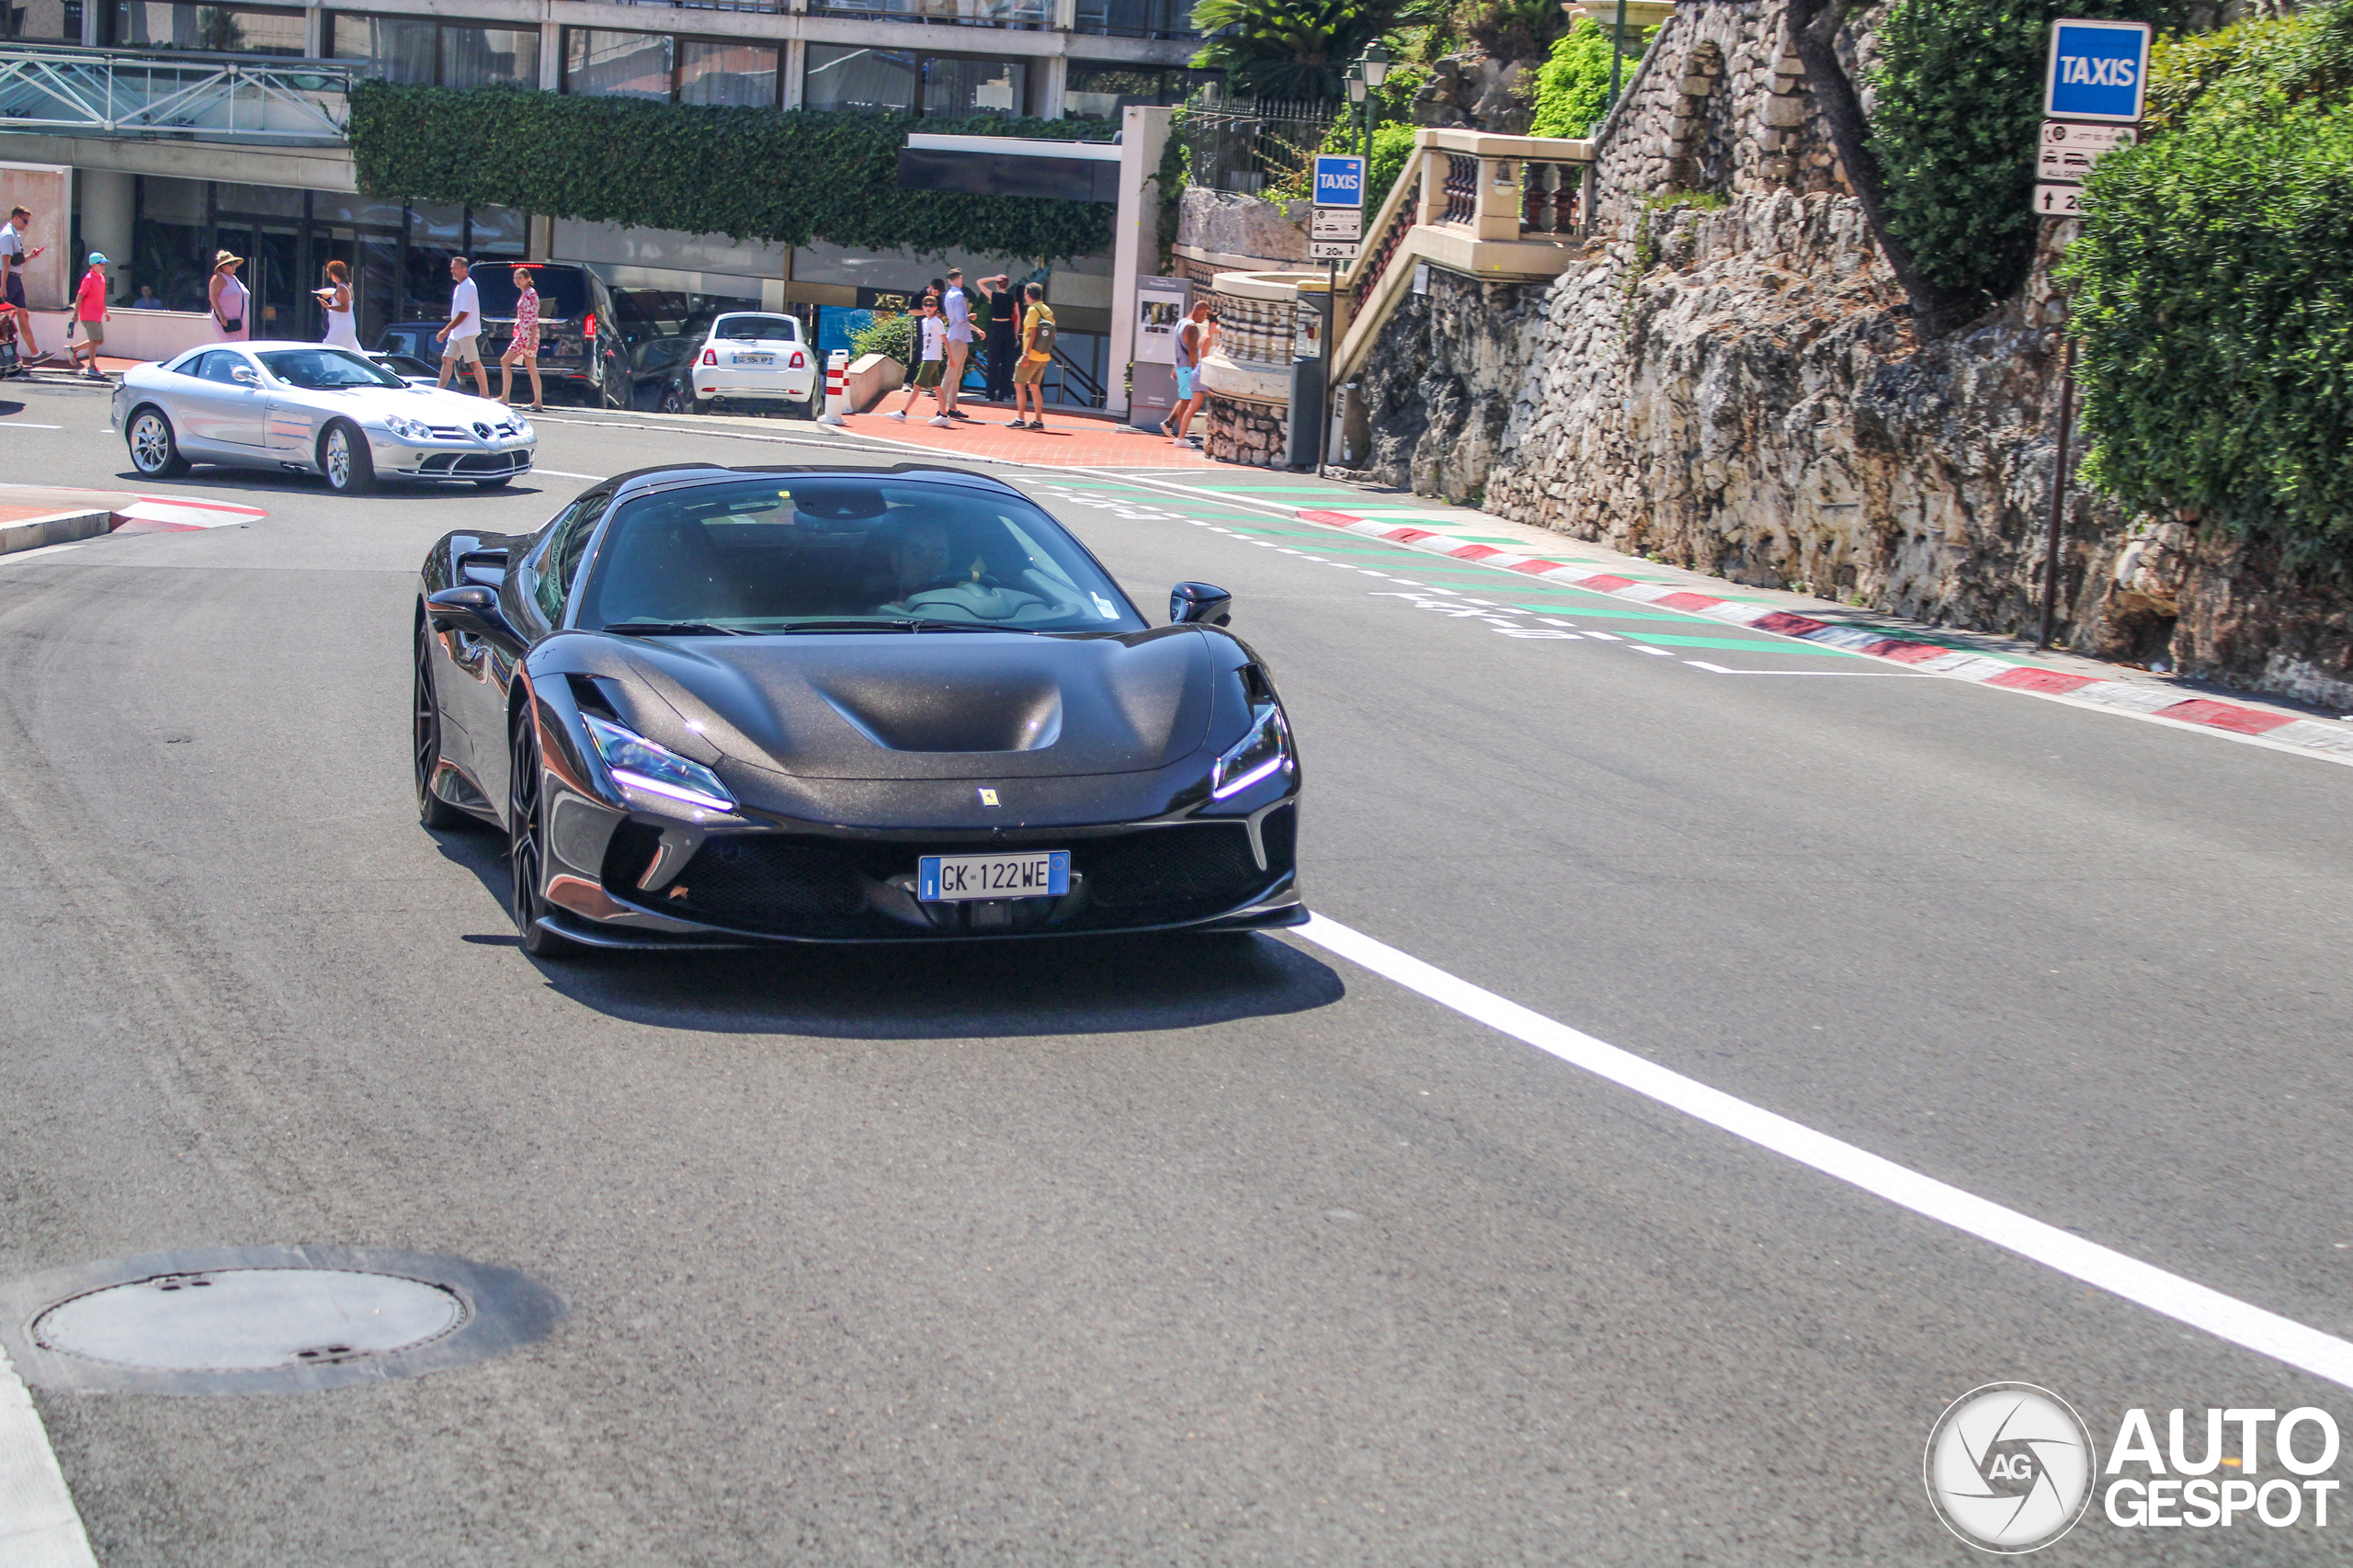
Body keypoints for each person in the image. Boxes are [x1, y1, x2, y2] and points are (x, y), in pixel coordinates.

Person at [436, 255, 490, 398]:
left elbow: (464, 313)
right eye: (452, 268)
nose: (452, 271)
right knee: (447, 359)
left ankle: (485, 395)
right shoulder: (460, 286)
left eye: (455, 268)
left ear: (464, 269)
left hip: (466, 332)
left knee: (474, 363)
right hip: (457, 332)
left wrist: (446, 330)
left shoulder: (469, 286)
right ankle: (439, 391)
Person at [886, 296, 946, 423]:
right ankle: (944, 416)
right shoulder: (924, 322)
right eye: (926, 305)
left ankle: (903, 412)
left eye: (931, 305)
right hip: (927, 356)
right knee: (937, 386)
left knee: (917, 385)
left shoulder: (937, 322)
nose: (928, 308)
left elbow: (945, 339)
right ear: (923, 307)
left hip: (932, 358)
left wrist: (951, 358)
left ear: (935, 308)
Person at [2, 207, 48, 362]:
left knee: (23, 315)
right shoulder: (7, 235)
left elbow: (16, 261)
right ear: (16, 218)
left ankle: (36, 354)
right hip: (8, 279)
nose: (27, 224)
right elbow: (6, 262)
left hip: (15, 279)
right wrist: (2, 286)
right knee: (4, 319)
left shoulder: (14, 235)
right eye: (25, 220)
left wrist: (30, 256)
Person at [1168, 298, 1214, 447]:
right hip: (1188, 368)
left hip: (1181, 367)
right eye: (1204, 315)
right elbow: (1192, 352)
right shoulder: (1192, 328)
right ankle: (1182, 436)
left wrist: (1176, 366)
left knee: (1185, 399)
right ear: (1199, 310)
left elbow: (1177, 347)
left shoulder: (1181, 322)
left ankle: (1180, 432)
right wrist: (1196, 371)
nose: (1204, 319)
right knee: (1187, 402)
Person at [1009, 280, 1053, 430]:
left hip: (1032, 354)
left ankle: (1020, 418)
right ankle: (1038, 420)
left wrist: (1026, 354)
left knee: (1019, 383)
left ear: (1028, 295)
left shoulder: (1033, 310)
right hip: (1044, 354)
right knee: (1034, 386)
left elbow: (1033, 332)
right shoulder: (1047, 310)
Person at [499, 263, 543, 410]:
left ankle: (505, 397)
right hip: (526, 333)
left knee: (505, 361)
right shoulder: (527, 293)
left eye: (520, 278)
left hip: (526, 334)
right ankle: (537, 401)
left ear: (527, 279)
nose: (517, 280)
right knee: (531, 367)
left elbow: (532, 317)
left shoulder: (530, 294)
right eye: (515, 278)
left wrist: (531, 339)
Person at [66, 252, 108, 381]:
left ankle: (72, 350)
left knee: (98, 341)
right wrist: (75, 314)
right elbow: (80, 297)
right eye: (101, 264)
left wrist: (105, 312)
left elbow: (101, 297)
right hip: (88, 314)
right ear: (93, 265)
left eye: (104, 264)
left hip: (97, 315)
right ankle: (92, 367)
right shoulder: (89, 278)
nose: (104, 266)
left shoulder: (101, 278)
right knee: (95, 341)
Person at [938, 267, 973, 420]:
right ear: (959, 279)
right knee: (952, 374)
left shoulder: (949, 295)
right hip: (959, 338)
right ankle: (942, 407)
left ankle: (951, 406)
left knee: (955, 374)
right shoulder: (959, 295)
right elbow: (961, 318)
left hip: (956, 336)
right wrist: (969, 316)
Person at [978, 273, 1017, 403]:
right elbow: (1016, 314)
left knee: (993, 361)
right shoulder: (1011, 298)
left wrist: (993, 278)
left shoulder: (994, 296)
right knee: (1007, 362)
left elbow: (979, 282)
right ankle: (1003, 393)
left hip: (996, 326)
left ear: (997, 284)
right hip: (1008, 327)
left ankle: (991, 392)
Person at [313, 259, 358, 350]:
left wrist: (328, 306)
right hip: (343, 325)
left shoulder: (342, 287)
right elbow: (343, 298)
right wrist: (332, 294)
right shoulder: (346, 285)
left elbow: (346, 308)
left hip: (341, 326)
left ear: (333, 273)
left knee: (331, 350)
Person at [209, 250, 248, 342]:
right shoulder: (219, 278)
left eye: (234, 263)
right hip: (226, 323)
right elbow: (213, 298)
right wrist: (222, 317)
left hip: (239, 323)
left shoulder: (235, 279)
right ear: (222, 266)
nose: (234, 266)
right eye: (230, 264)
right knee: (229, 348)